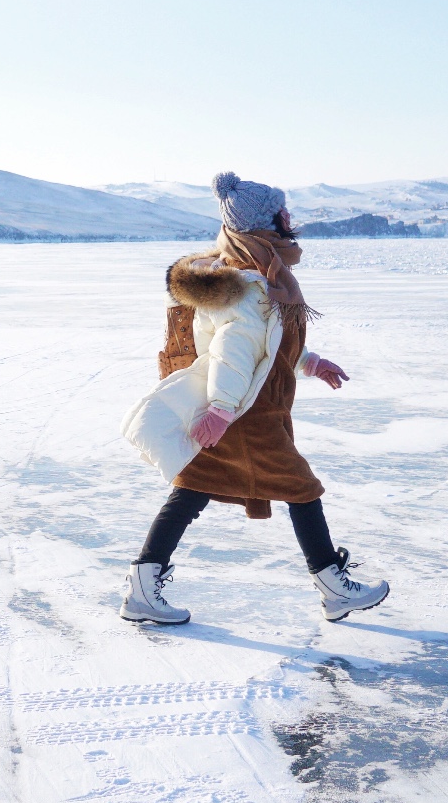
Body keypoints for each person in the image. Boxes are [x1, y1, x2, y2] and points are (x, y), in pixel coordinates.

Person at [119, 171, 390, 625]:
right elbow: (234, 350)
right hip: (249, 413)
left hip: (246, 406)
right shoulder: (249, 284)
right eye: (282, 213)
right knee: (301, 489)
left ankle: (143, 588)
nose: (289, 219)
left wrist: (310, 361)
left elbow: (270, 341)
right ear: (267, 222)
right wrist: (223, 412)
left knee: (193, 488)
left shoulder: (260, 277)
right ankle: (332, 587)